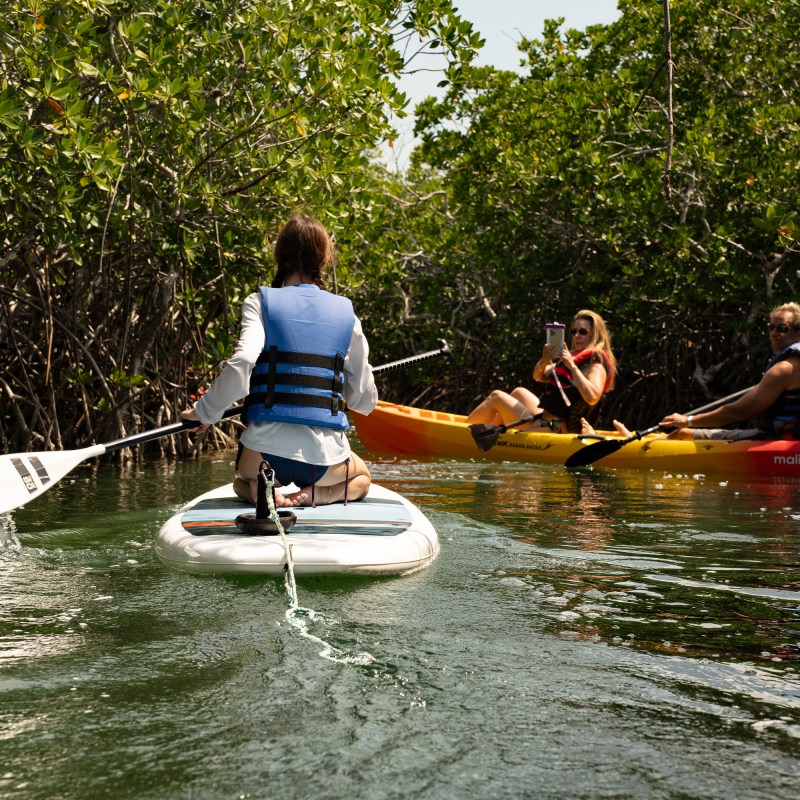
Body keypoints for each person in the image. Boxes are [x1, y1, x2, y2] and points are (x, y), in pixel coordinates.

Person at [181, 214, 378, 506]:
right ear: (324, 259)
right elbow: (364, 402)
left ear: (280, 256)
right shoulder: (347, 314)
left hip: (263, 455)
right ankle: (321, 494)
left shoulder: (259, 302)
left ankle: (260, 490)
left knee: (240, 482)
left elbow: (242, 361)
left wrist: (204, 413)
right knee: (362, 479)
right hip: (324, 461)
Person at [659, 302, 800, 440]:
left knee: (682, 435)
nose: (774, 333)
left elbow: (739, 412)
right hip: (789, 435)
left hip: (777, 439)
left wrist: (687, 420)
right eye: (771, 327)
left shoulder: (784, 369)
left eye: (782, 328)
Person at [466, 309, 617, 434]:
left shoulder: (595, 366)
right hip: (547, 420)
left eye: (583, 332)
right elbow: (538, 376)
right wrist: (545, 360)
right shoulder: (571, 357)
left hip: (555, 430)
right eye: (574, 331)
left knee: (496, 397)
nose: (577, 335)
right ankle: (493, 434)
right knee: (519, 392)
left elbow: (593, 397)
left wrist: (572, 366)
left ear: (595, 335)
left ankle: (466, 435)